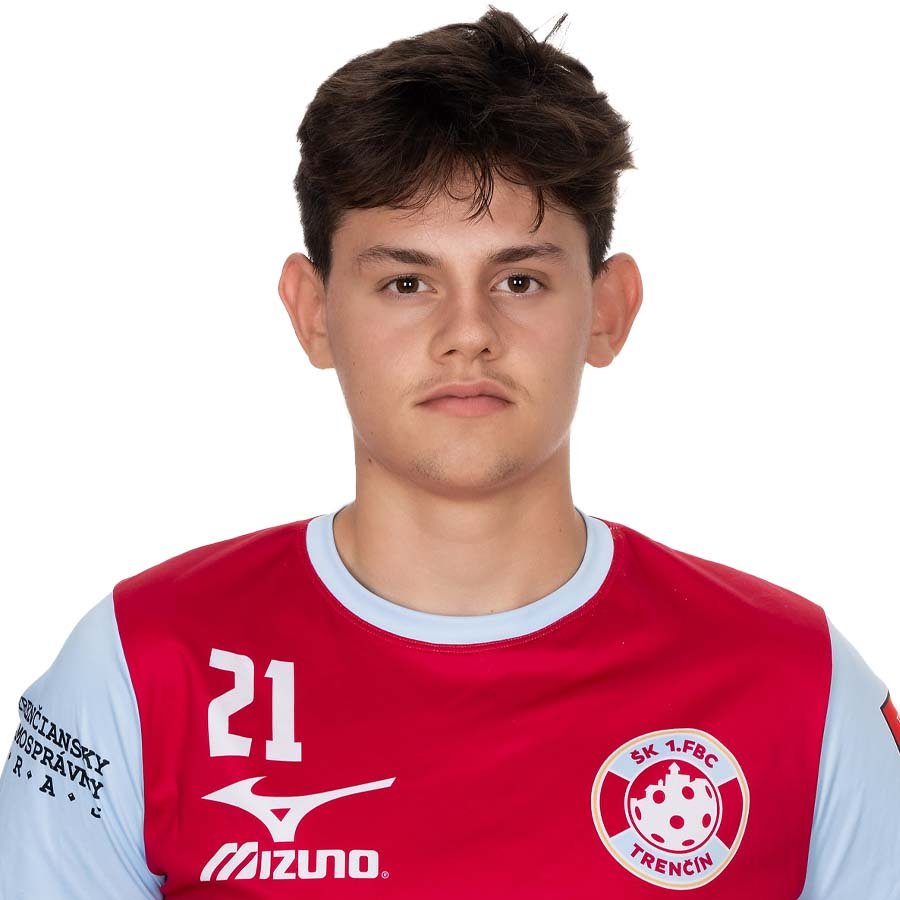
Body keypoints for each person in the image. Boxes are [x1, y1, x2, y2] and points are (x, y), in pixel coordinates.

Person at [1, 6, 898, 897]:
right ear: (313, 313)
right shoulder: (141, 665)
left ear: (607, 310)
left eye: (520, 280)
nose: (468, 333)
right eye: (406, 282)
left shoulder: (801, 684)